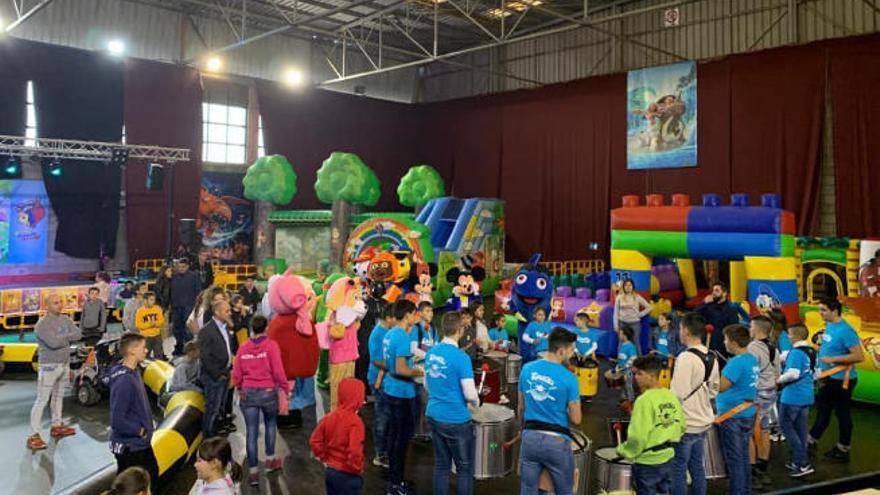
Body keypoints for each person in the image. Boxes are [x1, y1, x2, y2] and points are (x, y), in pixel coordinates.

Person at [518, 328, 581, 495]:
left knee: (528, 489)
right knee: (564, 491)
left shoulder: (527, 369)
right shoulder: (570, 378)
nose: (573, 353)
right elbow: (576, 418)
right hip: (556, 443)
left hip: (529, 438)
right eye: (571, 350)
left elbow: (521, 408)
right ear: (561, 351)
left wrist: (522, 431)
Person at [425, 312, 480, 495]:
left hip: (433, 414)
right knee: (464, 469)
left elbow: (427, 384)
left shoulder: (431, 353)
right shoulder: (461, 358)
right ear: (459, 330)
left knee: (441, 465)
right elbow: (470, 394)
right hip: (456, 420)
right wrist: (477, 401)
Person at [233, 314, 289, 486]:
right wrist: (284, 387)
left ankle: (253, 472)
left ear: (251, 329)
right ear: (266, 328)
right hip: (268, 393)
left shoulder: (243, 348)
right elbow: (278, 370)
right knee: (271, 425)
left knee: (251, 431)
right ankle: (271, 461)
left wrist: (241, 387)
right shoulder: (272, 346)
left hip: (248, 394)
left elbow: (237, 374)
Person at [617, 356, 686, 494]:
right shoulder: (671, 395)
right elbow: (682, 426)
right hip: (668, 458)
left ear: (652, 376)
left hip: (647, 463)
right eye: (635, 373)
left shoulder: (644, 401)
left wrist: (624, 450)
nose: (636, 377)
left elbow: (638, 437)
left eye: (640, 374)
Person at [808, 297, 865, 461]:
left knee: (841, 413)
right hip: (828, 377)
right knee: (823, 410)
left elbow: (858, 356)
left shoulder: (846, 330)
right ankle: (812, 439)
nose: (820, 313)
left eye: (823, 310)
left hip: (841, 379)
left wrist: (832, 359)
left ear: (834, 311)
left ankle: (843, 448)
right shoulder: (830, 326)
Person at [669, 312, 719, 495]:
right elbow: (714, 389)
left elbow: (678, 393)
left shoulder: (685, 357)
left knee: (678, 469)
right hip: (703, 421)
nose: (679, 332)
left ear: (687, 331)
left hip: (686, 422)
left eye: (681, 328)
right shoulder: (711, 355)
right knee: (698, 467)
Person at [27, 294, 82, 450]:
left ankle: (57, 426)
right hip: (48, 367)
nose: (60, 305)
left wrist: (62, 337)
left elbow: (78, 334)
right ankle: (33, 435)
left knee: (58, 397)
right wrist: (67, 337)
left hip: (64, 364)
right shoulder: (42, 325)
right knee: (42, 400)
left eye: (60, 302)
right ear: (47, 306)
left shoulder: (65, 319)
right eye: (55, 303)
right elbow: (53, 343)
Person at [382, 299, 424, 495]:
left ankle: (393, 479)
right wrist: (419, 372)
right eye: (414, 313)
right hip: (401, 393)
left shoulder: (390, 334)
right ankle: (396, 484)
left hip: (390, 389)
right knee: (401, 439)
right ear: (407, 315)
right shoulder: (402, 336)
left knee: (393, 436)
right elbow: (400, 369)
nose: (416, 317)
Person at [108, 333, 159, 488]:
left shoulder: (132, 372)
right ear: (131, 351)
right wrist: (139, 431)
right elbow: (117, 420)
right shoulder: (125, 381)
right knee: (140, 483)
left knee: (152, 474)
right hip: (132, 446)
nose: (146, 350)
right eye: (143, 348)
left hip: (137, 444)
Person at [716, 324, 759, 495]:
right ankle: (744, 490)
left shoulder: (736, 362)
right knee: (743, 457)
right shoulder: (751, 359)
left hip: (733, 416)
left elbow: (721, 387)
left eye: (726, 340)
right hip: (746, 412)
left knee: (735, 459)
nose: (724, 343)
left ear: (733, 342)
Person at [310, 378, 367, 495]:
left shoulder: (329, 417)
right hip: (348, 474)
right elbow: (355, 450)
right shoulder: (356, 422)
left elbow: (314, 441)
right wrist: (357, 467)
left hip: (331, 471)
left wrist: (324, 456)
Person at [776, 323, 816, 477]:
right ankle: (802, 461)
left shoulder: (797, 353)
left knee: (786, 427)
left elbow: (793, 373)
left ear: (796, 336)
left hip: (792, 396)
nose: (788, 337)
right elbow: (816, 372)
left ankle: (800, 462)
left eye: (789, 334)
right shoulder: (811, 351)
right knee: (801, 430)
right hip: (806, 395)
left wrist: (777, 380)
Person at [747, 315, 779, 488]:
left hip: (757, 394)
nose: (749, 329)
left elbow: (749, 373)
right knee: (764, 430)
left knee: (751, 432)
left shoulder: (752, 348)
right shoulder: (774, 347)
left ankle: (752, 471)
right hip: (770, 393)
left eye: (751, 326)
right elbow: (777, 374)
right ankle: (763, 466)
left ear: (757, 329)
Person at [197, 299, 234, 438]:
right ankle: (207, 439)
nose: (230, 313)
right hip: (214, 378)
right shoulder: (206, 331)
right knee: (212, 409)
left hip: (225, 374)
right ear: (217, 312)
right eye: (227, 311)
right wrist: (218, 375)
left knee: (219, 408)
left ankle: (214, 435)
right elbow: (205, 357)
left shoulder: (225, 327)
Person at [368, 304, 395, 469]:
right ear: (388, 318)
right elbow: (377, 360)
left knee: (387, 417)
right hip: (378, 380)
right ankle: (380, 454)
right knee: (381, 418)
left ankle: (386, 450)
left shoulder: (389, 331)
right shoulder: (378, 334)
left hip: (387, 380)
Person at [696, 282, 750, 357]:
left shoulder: (731, 309)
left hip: (723, 347)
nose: (713, 293)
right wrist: (703, 303)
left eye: (717, 291)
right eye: (713, 291)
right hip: (707, 344)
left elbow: (734, 329)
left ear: (724, 293)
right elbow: (694, 316)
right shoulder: (707, 306)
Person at [172, 258, 202, 356]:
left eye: (183, 267)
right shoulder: (174, 277)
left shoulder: (194, 276)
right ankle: (179, 347)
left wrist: (197, 306)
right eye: (179, 267)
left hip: (189, 307)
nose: (181, 269)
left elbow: (198, 292)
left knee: (188, 330)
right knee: (177, 329)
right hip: (176, 307)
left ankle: (189, 349)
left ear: (188, 266)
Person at [614, 278, 651, 354]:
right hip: (622, 323)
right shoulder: (619, 297)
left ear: (633, 286)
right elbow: (616, 312)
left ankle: (639, 363)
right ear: (623, 287)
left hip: (634, 323)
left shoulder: (637, 297)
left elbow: (649, 307)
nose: (628, 287)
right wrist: (615, 325)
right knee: (621, 342)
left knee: (636, 343)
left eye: (630, 285)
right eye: (626, 285)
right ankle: (621, 362)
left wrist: (640, 314)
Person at [136, 293, 166, 360]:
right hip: (145, 337)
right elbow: (139, 325)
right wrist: (149, 325)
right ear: (145, 300)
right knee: (145, 355)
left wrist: (155, 324)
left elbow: (161, 321)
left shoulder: (157, 309)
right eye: (151, 300)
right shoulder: (140, 311)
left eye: (154, 300)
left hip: (157, 336)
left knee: (159, 355)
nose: (153, 302)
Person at [616, 325, 638, 403]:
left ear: (625, 336)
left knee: (628, 386)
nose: (619, 335)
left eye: (621, 334)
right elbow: (620, 358)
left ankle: (630, 400)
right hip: (621, 369)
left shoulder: (630, 346)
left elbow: (633, 358)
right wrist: (618, 367)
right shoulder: (622, 345)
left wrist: (626, 366)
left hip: (627, 371)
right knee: (622, 385)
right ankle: (624, 398)